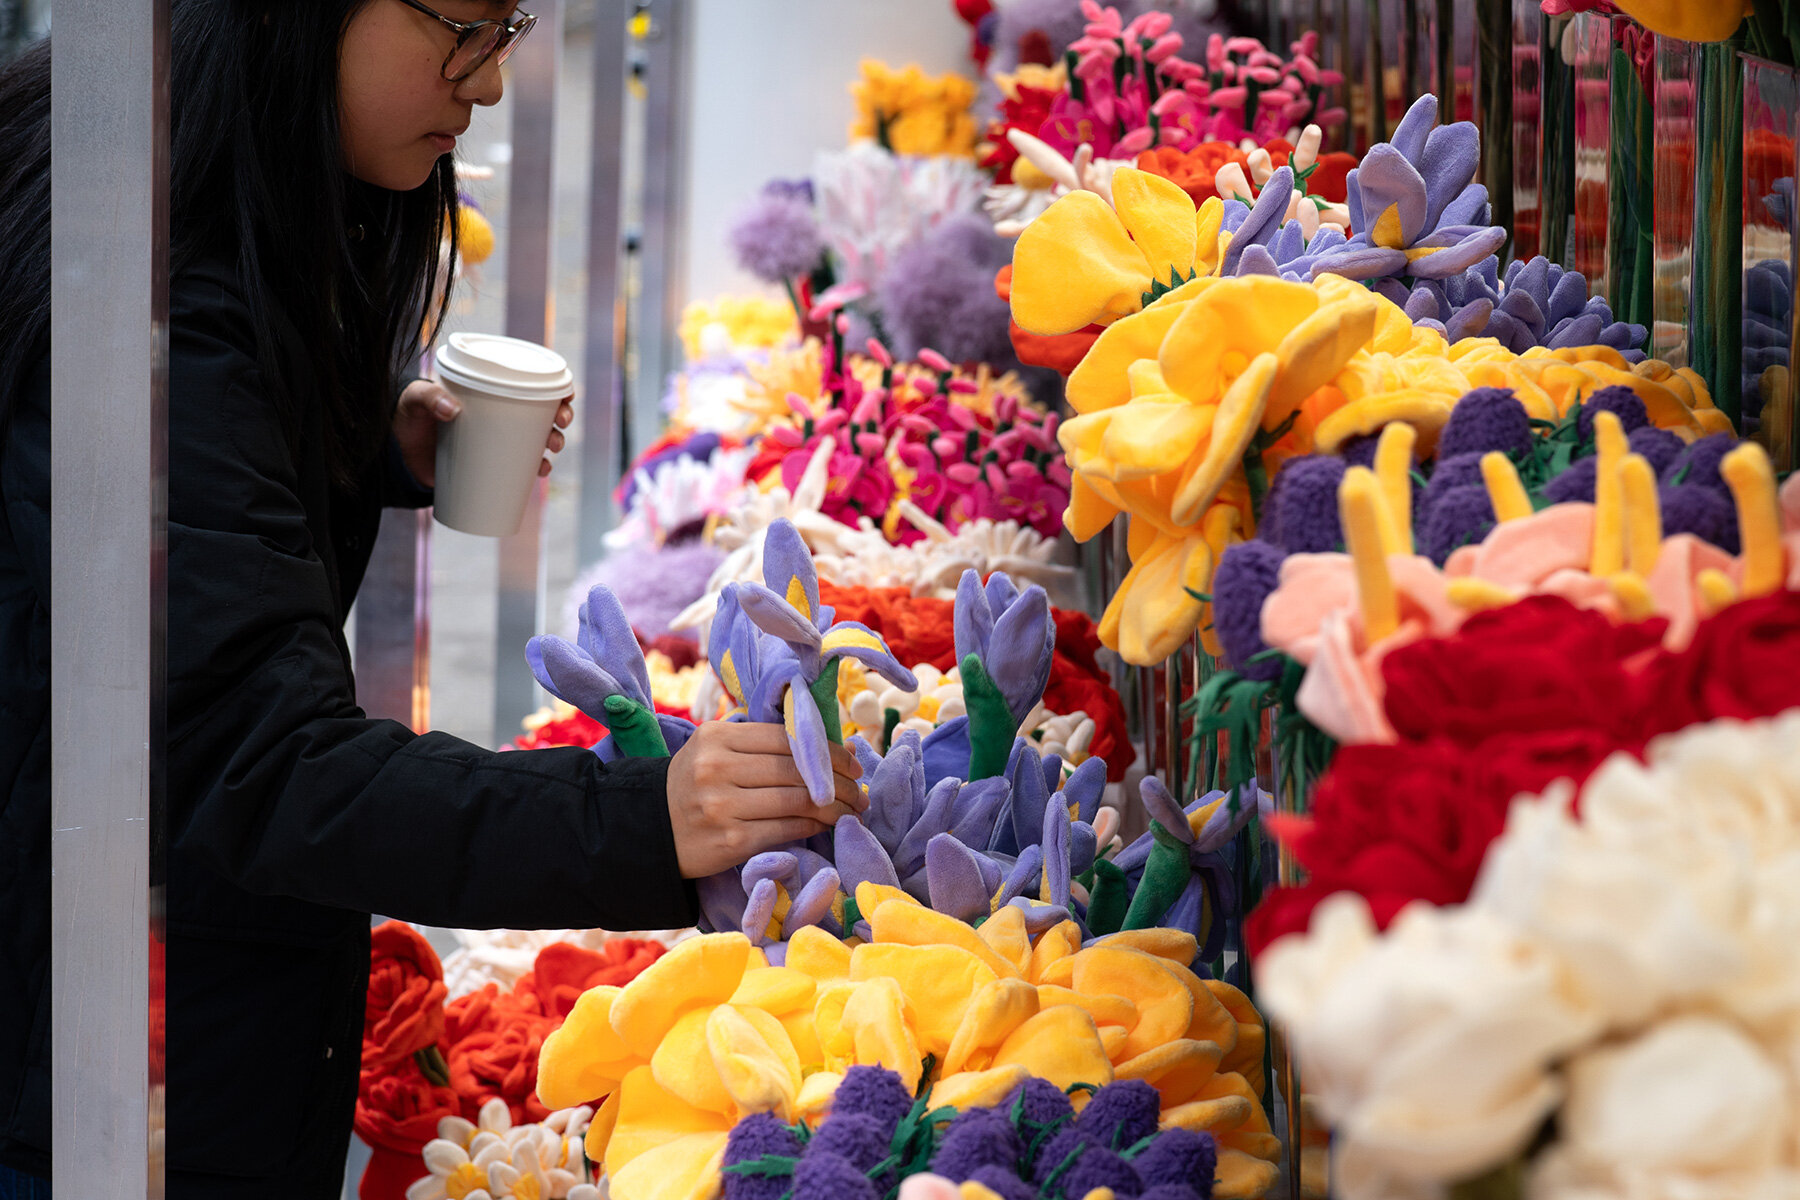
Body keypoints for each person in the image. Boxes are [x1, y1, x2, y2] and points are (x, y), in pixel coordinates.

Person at [0, 3, 864, 1195]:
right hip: (100, 1042)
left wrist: (358, 444)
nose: (489, 88)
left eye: (504, 31)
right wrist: (645, 819)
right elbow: (260, 762)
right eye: (461, 29)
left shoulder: (166, 202)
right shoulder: (160, 304)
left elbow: (184, 569)